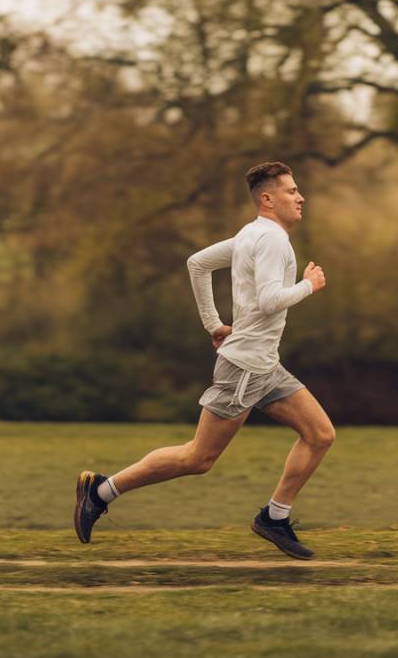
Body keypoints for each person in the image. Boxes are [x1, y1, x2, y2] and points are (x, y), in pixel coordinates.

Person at [73, 161, 335, 559]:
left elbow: (197, 263)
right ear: (268, 199)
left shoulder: (251, 234)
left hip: (264, 364)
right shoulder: (273, 240)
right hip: (246, 368)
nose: (300, 198)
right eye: (291, 191)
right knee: (198, 458)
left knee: (320, 434)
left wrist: (215, 324)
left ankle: (274, 518)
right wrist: (308, 286)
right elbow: (268, 301)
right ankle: (101, 491)